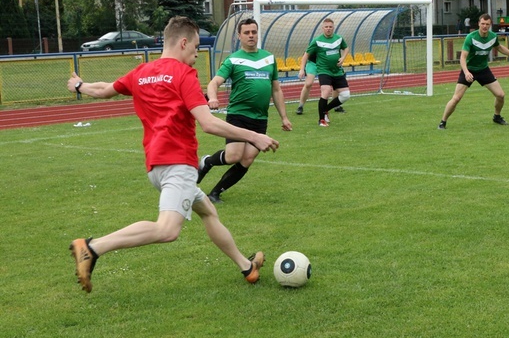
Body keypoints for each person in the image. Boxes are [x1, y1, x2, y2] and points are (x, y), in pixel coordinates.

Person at [66, 16, 278, 294]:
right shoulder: (184, 75)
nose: (196, 55)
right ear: (183, 42)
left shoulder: (141, 72)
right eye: (195, 48)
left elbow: (104, 89)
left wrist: (80, 86)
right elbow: (209, 123)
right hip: (178, 165)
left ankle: (246, 267)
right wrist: (254, 136)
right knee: (168, 230)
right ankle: (92, 248)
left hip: (156, 167)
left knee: (208, 212)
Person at [199, 18, 292, 204]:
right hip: (238, 115)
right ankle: (207, 162)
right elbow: (214, 82)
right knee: (234, 156)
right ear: (239, 36)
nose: (251, 35)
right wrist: (214, 97)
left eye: (254, 32)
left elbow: (276, 89)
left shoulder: (269, 58)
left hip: (260, 118)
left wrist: (284, 117)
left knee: (247, 159)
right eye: (247, 32)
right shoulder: (233, 59)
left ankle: (215, 193)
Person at [438, 13, 509, 129]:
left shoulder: (493, 36)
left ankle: (497, 117)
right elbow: (463, 57)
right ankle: (443, 122)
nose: (484, 26)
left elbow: (499, 48)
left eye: (487, 24)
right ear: (479, 24)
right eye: (482, 24)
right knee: (456, 98)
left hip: (483, 70)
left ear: (490, 25)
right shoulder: (471, 37)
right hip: (469, 70)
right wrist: (466, 72)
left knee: (501, 95)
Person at [298, 17, 351, 127]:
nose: (328, 29)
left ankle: (325, 109)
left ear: (333, 28)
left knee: (346, 95)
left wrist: (343, 58)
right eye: (326, 27)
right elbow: (306, 55)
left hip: (337, 71)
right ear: (322, 28)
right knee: (326, 92)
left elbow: (346, 48)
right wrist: (302, 69)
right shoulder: (317, 40)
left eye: (330, 27)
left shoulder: (339, 39)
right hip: (324, 70)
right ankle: (321, 120)